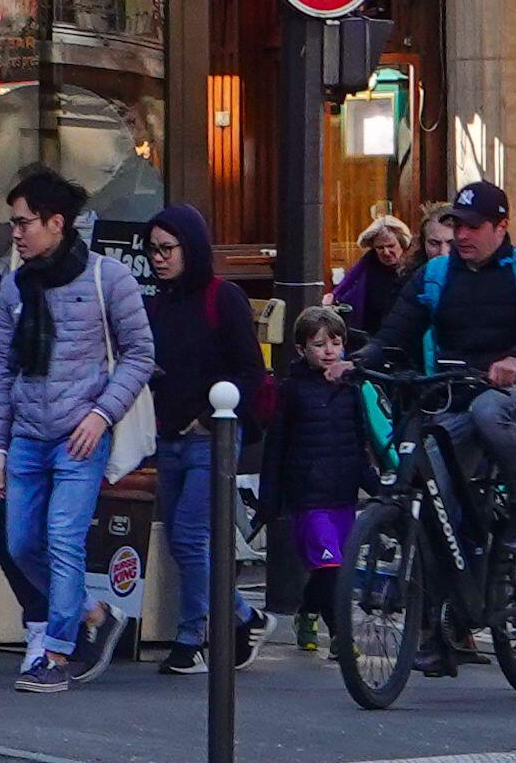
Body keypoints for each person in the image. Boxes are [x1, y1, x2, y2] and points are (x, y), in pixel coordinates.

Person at [0, 165, 151, 693]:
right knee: (21, 542)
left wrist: (101, 415)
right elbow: (1, 370)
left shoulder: (107, 277)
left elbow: (140, 353)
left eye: (24, 222)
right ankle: (93, 613)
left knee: (63, 538)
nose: (16, 232)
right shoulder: (14, 286)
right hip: (28, 434)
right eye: (14, 223)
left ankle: (56, 654)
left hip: (81, 433)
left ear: (56, 223)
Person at [135, 204, 263, 672]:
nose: (158, 258)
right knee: (182, 539)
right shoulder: (157, 303)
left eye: (168, 248)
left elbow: (251, 371)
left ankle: (192, 638)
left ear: (191, 248)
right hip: (167, 436)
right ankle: (242, 615)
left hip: (211, 438)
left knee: (190, 537)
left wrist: (211, 418)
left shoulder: (222, 297)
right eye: (152, 250)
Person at [402, 180, 516, 521]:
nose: (462, 235)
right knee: (428, 464)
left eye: (473, 226)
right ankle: (455, 555)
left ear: (501, 227)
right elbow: (399, 327)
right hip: (459, 399)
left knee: (489, 409)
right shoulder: (434, 275)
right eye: (458, 225)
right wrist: (362, 359)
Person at [260, 305, 377, 655]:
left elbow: (360, 440)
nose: (329, 351)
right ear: (301, 350)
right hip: (308, 496)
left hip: (343, 493)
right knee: (330, 565)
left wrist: (372, 481)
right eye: (319, 344)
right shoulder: (291, 391)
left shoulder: (353, 388)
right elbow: (276, 445)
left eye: (335, 343)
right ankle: (340, 634)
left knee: (336, 568)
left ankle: (308, 610)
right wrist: (271, 498)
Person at [335, 210, 425, 354]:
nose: (386, 252)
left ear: (402, 244)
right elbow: (344, 291)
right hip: (368, 339)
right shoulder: (366, 268)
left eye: (391, 246)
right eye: (380, 248)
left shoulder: (415, 270)